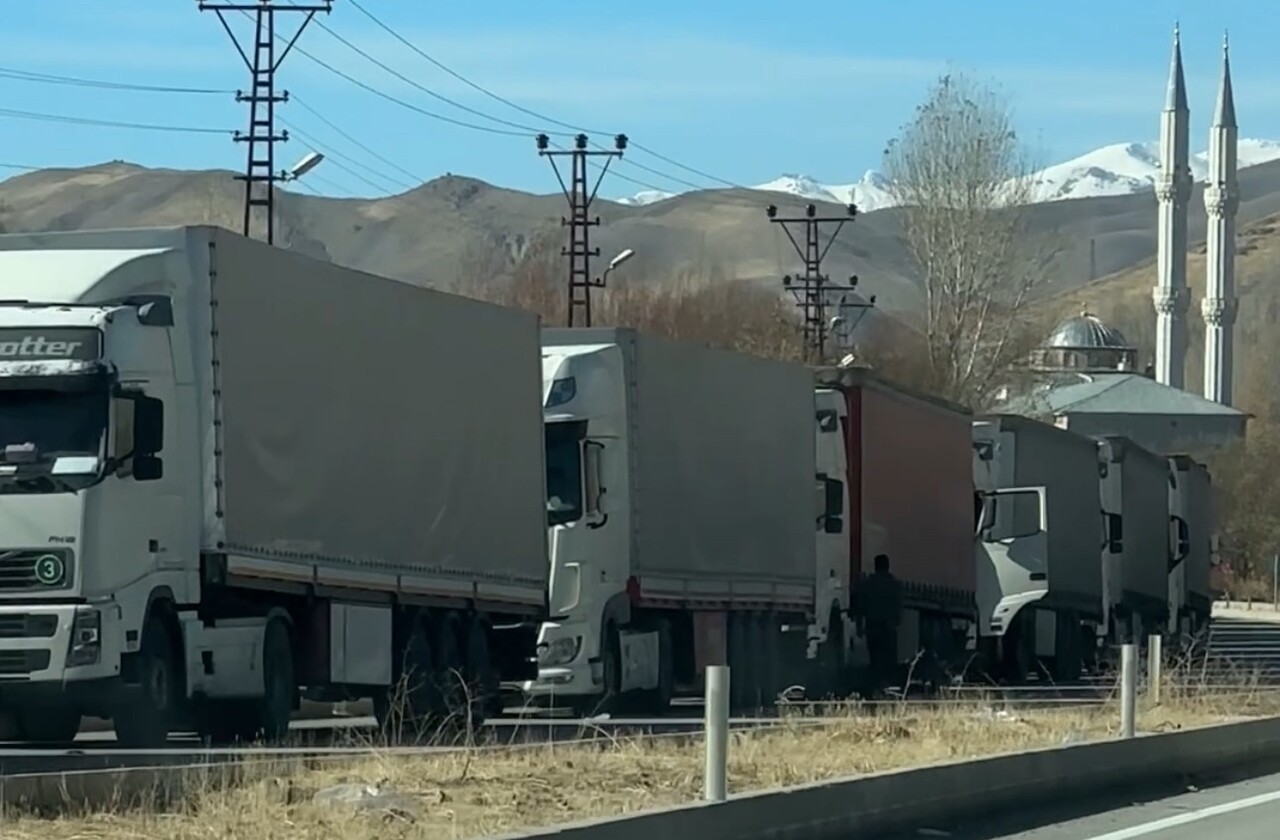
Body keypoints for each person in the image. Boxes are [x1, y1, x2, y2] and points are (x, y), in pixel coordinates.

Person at [859, 553, 902, 696]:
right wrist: (896, 621)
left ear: (875, 566)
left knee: (875, 659)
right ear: (887, 566)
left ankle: (875, 687)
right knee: (889, 660)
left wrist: (860, 625)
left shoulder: (868, 584)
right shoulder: (894, 584)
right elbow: (898, 606)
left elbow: (862, 606)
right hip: (888, 628)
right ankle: (888, 687)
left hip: (873, 628)